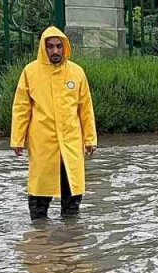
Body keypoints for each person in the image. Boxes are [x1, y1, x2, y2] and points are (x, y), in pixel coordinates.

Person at [11, 27, 98, 221]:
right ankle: (39, 239)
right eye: (50, 47)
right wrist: (17, 139)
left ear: (65, 47)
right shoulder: (30, 72)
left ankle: (70, 239)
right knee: (39, 194)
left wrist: (90, 139)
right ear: (43, 48)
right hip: (43, 142)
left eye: (59, 46)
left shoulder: (76, 72)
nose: (55, 51)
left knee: (72, 192)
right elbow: (21, 108)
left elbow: (85, 109)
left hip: (71, 142)